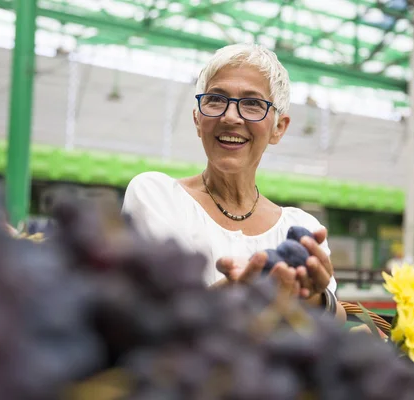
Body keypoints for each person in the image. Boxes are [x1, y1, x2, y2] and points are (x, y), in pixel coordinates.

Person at [121, 43, 346, 323]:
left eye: (252, 104)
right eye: (215, 99)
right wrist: (244, 293)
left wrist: (315, 298)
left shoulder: (301, 228)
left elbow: (333, 322)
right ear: (197, 119)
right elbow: (153, 318)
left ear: (279, 128)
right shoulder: (157, 197)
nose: (230, 116)